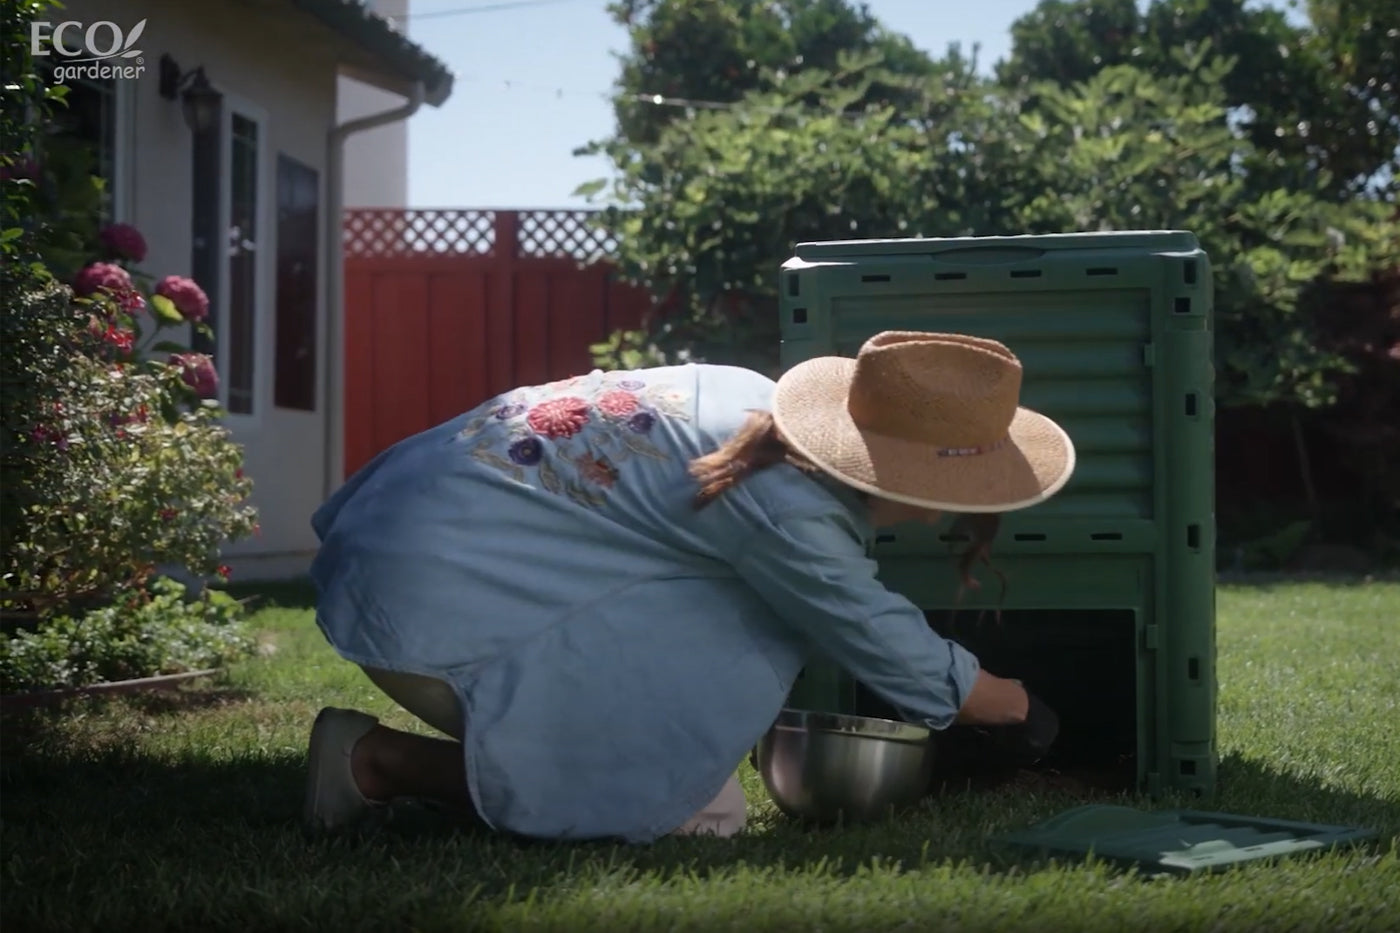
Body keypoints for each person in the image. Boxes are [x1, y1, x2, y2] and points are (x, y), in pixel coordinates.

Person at [304, 330, 1073, 843]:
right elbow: (869, 629)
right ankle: (377, 760)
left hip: (398, 542)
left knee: (713, 718)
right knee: (694, 812)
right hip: (423, 602)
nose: (953, 505)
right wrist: (1011, 703)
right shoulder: (786, 504)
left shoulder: (746, 401)